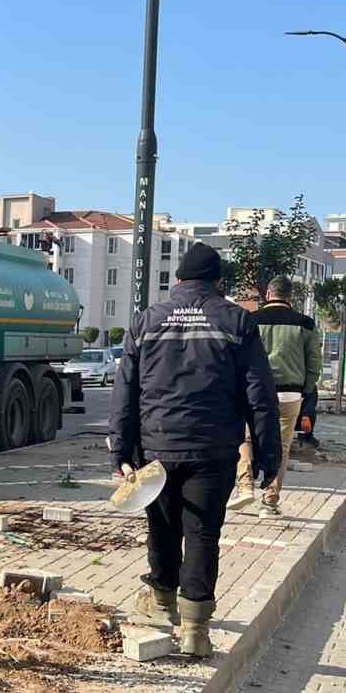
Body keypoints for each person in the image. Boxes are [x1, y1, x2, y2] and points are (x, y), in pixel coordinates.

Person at [108, 242, 281, 657]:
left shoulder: (148, 320)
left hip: (157, 446)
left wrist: (121, 449)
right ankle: (195, 632)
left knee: (162, 527)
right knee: (203, 532)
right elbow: (260, 395)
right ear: (218, 282)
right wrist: (267, 456)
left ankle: (163, 600)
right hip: (213, 448)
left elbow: (125, 390)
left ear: (179, 280)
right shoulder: (237, 320)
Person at [234, 276, 322, 517]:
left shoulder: (251, 320)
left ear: (268, 295)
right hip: (290, 394)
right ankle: (270, 501)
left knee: (246, 439)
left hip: (255, 392)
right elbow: (314, 363)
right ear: (289, 296)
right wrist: (306, 390)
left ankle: (244, 486)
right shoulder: (305, 324)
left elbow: (239, 357)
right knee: (281, 445)